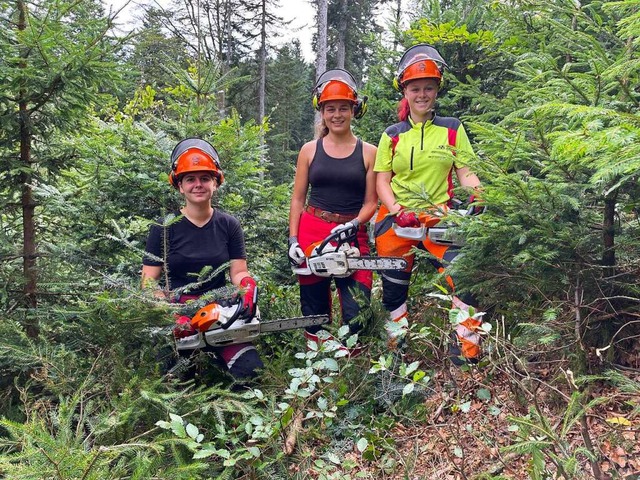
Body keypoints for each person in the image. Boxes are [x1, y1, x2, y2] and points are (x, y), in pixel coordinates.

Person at [373, 44, 485, 365]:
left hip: (439, 218)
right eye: (415, 88)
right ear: (405, 91)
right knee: (394, 294)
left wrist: (479, 197)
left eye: (428, 88)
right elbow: (382, 181)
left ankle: (465, 357)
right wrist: (397, 210)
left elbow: (466, 173)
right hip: (396, 222)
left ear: (437, 90)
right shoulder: (392, 135)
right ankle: (395, 362)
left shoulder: (452, 129)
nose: (422, 94)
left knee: (465, 281)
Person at [142, 138, 263, 379]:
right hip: (179, 312)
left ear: (216, 183)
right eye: (190, 179)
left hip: (219, 311)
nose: (198, 185)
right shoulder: (163, 227)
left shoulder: (229, 225)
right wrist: (169, 313)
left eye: (205, 178)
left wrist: (247, 286)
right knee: (174, 380)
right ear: (179, 186)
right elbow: (148, 282)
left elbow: (238, 272)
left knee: (251, 371)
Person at [288, 69, 378, 354]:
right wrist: (293, 240)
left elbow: (371, 202)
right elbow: (297, 199)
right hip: (313, 229)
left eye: (343, 108)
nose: (337, 115)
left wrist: (354, 224)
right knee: (314, 308)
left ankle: (353, 367)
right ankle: (317, 363)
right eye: (330, 109)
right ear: (322, 112)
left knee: (356, 309)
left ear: (354, 110)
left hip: (352, 234)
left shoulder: (369, 152)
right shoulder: (309, 150)